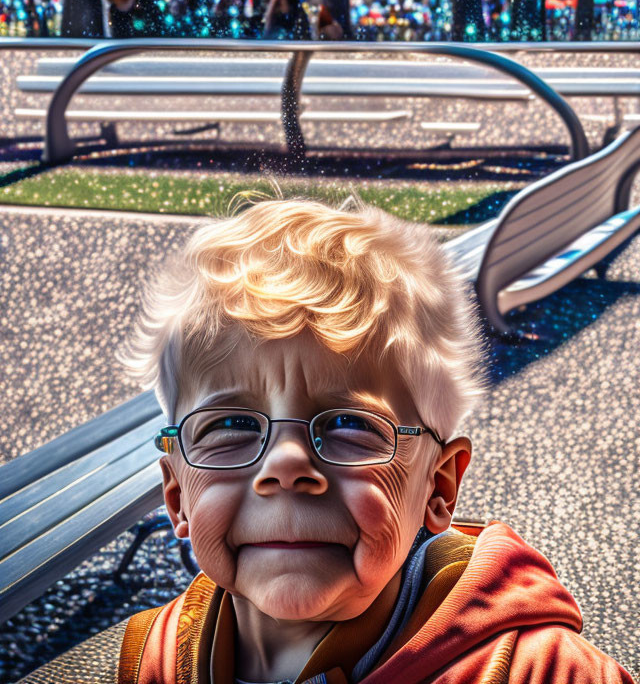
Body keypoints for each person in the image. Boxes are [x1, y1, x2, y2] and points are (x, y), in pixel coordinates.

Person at [20, 196, 634, 683]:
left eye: (349, 425)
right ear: (177, 494)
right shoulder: (135, 666)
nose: (287, 465)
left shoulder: (540, 671)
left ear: (438, 487)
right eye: (231, 427)